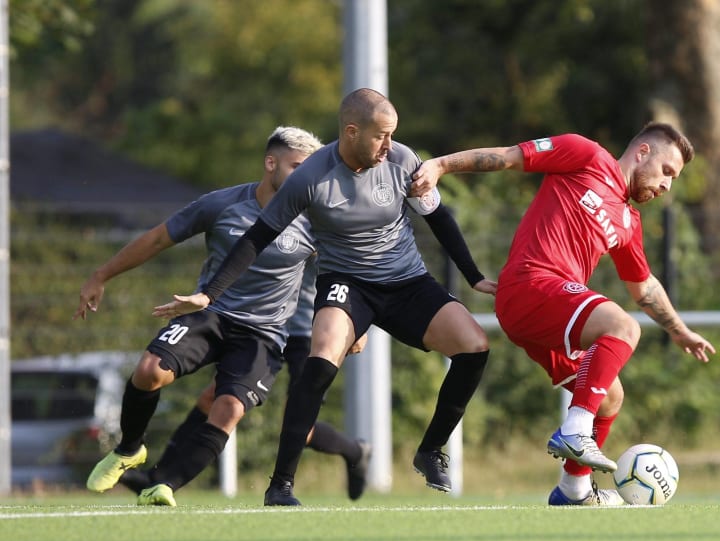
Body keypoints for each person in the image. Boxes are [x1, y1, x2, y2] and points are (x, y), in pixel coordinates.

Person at [153, 88, 495, 506]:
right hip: (347, 283)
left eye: (392, 135)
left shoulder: (403, 160)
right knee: (320, 359)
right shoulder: (310, 177)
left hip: (407, 281)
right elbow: (257, 237)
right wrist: (209, 294)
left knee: (475, 347)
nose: (389, 145)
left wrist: (474, 275)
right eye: (380, 136)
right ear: (352, 132)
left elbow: (439, 217)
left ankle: (429, 451)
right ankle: (281, 485)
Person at [411, 123, 716, 506]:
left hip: (548, 311)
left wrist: (679, 329)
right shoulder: (585, 154)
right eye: (667, 171)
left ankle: (573, 491)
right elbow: (507, 158)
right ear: (642, 153)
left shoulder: (628, 222)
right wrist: (440, 166)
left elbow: (645, 287)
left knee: (610, 398)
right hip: (530, 283)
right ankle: (574, 431)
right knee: (622, 327)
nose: (667, 185)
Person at [77, 125, 337, 506]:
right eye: (297, 166)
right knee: (149, 371)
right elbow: (157, 239)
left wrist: (352, 322)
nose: (305, 178)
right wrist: (101, 275)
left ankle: (165, 485)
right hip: (210, 313)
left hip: (264, 335)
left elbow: (343, 266)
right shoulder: (222, 205)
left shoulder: (313, 219)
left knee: (228, 408)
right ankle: (129, 449)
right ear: (271, 163)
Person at [117, 258, 373, 502]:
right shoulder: (270, 218)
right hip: (263, 326)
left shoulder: (317, 222)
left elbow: (352, 265)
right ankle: (159, 476)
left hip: (309, 330)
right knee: (214, 398)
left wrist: (357, 323)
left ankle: (353, 451)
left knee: (297, 426)